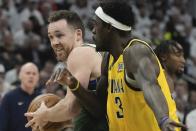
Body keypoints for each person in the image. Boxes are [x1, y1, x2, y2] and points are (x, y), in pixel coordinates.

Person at [44, 1, 187, 131]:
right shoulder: (108, 59)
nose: (92, 31)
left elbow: (151, 87)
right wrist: (73, 84)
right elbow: (99, 108)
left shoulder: (136, 52)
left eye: (96, 25)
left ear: (108, 27)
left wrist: (164, 119)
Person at [25, 10, 107, 131]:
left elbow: (71, 108)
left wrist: (44, 115)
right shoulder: (91, 51)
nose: (54, 43)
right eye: (51, 37)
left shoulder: (78, 53)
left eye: (59, 35)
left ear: (78, 35)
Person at [0, 62, 40, 131]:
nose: (31, 76)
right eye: (28, 73)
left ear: (38, 77)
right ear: (20, 76)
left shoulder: (42, 99)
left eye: (34, 74)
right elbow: (2, 126)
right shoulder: (9, 98)